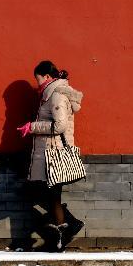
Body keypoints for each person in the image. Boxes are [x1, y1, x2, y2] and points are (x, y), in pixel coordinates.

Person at [18, 61, 85, 251]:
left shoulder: (55, 95)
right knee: (50, 195)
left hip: (54, 154)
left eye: (38, 79)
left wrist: (32, 127)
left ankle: (63, 236)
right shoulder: (51, 94)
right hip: (50, 152)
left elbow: (60, 126)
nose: (37, 84)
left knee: (52, 195)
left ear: (47, 77)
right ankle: (68, 228)